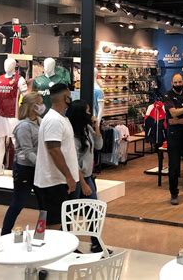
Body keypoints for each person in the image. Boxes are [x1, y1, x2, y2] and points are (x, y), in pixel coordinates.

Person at [34, 83, 79, 227]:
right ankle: (44, 242)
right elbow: (54, 150)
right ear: (65, 98)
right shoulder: (53, 120)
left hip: (59, 181)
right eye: (69, 96)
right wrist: (68, 176)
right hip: (54, 182)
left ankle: (63, 244)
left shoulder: (61, 118)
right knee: (52, 223)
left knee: (61, 221)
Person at [1, 92, 45, 235]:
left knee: (45, 204)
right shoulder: (24, 126)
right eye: (40, 103)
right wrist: (41, 164)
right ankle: (5, 233)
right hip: (24, 169)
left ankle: (41, 234)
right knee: (18, 203)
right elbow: (27, 151)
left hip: (37, 168)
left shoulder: (40, 121)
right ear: (32, 106)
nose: (42, 105)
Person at [67, 99, 105, 252]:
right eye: (87, 111)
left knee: (93, 211)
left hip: (87, 176)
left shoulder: (87, 128)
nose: (90, 113)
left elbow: (99, 145)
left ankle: (96, 242)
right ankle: (67, 244)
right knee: (69, 213)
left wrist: (96, 127)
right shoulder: (72, 136)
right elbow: (73, 162)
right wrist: (83, 184)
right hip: (78, 178)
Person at [164, 73, 183, 205]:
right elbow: (173, 113)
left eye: (180, 82)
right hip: (174, 134)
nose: (178, 84)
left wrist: (177, 120)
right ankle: (174, 193)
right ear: (172, 83)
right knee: (174, 166)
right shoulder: (168, 95)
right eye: (175, 82)